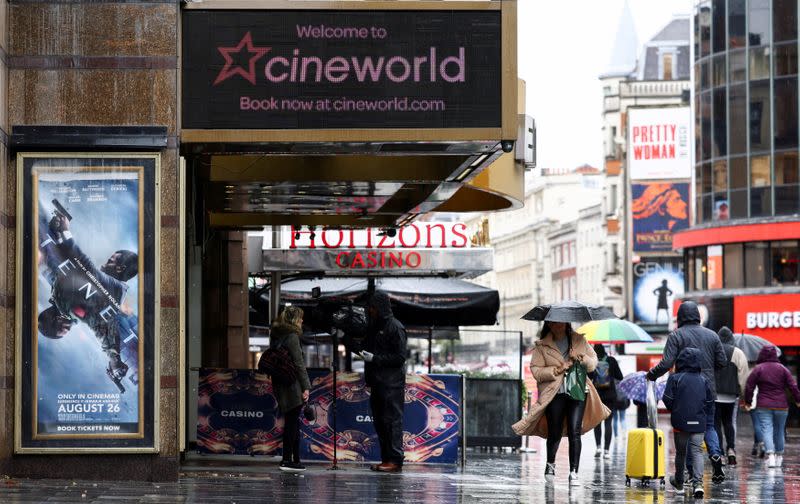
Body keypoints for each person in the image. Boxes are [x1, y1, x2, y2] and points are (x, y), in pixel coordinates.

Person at [38, 212, 138, 384]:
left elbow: (81, 262)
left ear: (120, 269)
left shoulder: (110, 289)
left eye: (111, 261)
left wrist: (62, 233)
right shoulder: (110, 297)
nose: (105, 262)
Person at [511, 321, 610, 486]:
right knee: (554, 431)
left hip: (578, 390)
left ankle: (574, 472)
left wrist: (582, 358)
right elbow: (536, 370)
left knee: (574, 431)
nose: (558, 326)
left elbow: (593, 363)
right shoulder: (542, 346)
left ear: (566, 323)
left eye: (561, 323)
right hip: (554, 393)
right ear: (549, 325)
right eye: (554, 323)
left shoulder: (579, 340)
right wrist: (557, 369)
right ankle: (550, 464)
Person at [646, 301, 727, 483]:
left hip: (684, 391)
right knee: (708, 426)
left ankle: (691, 473)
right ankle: (715, 454)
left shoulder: (676, 336)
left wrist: (652, 374)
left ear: (680, 316)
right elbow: (722, 362)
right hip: (708, 390)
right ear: (698, 315)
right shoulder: (712, 335)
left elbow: (666, 363)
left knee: (687, 429)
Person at [362, 291, 407, 473]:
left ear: (379, 307)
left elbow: (400, 357)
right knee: (381, 422)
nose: (370, 311)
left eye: (372, 307)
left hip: (391, 384)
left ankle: (394, 459)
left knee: (391, 421)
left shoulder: (395, 327)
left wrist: (375, 359)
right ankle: (386, 458)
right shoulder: (376, 326)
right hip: (379, 382)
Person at [662, 348, 714, 499]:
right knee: (697, 451)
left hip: (680, 422)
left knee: (681, 453)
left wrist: (676, 409)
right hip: (699, 422)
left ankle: (679, 485)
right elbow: (710, 402)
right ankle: (698, 484)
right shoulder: (704, 380)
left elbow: (667, 399)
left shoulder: (675, 378)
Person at [270, 306, 311, 472]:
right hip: (292, 385)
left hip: (280, 383)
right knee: (292, 423)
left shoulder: (277, 335)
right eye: (300, 318)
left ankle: (294, 459)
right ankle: (288, 460)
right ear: (294, 320)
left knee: (291, 422)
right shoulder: (292, 337)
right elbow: (299, 364)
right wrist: (306, 387)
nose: (302, 321)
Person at [743, 345, 800, 468]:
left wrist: (747, 401)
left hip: (764, 405)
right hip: (781, 406)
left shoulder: (758, 369)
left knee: (767, 429)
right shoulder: (783, 369)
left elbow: (749, 386)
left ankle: (771, 456)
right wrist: (798, 400)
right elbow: (793, 386)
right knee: (779, 431)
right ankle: (779, 457)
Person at [714, 326, 749, 465]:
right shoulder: (738, 353)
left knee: (716, 423)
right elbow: (743, 377)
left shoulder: (713, 351)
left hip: (714, 395)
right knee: (729, 422)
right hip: (730, 396)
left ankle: (719, 452)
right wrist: (743, 395)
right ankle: (731, 449)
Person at [589, 344, 623, 459]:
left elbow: (588, 377)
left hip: (597, 396)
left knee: (597, 423)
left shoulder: (593, 362)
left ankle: (598, 448)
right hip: (610, 396)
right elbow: (620, 376)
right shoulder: (611, 360)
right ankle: (607, 451)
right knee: (608, 423)